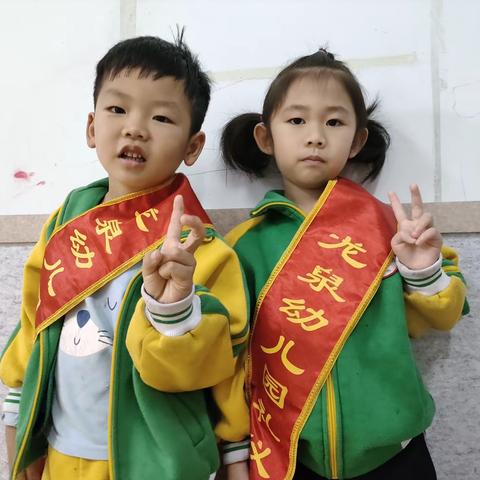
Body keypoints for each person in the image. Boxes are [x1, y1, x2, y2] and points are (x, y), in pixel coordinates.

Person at [0, 35, 250, 480]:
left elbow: (224, 370)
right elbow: (32, 332)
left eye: (160, 117)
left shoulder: (204, 249)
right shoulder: (65, 226)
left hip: (161, 464)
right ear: (92, 128)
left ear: (192, 147)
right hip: (64, 458)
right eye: (118, 110)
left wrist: (235, 455)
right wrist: (19, 434)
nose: (135, 128)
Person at [221, 48, 468, 480]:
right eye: (296, 121)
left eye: (334, 122)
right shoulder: (243, 247)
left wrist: (422, 270)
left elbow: (441, 317)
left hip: (396, 453)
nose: (315, 136)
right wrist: (234, 452)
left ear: (357, 140)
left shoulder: (389, 227)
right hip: (293, 456)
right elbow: (233, 359)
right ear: (266, 138)